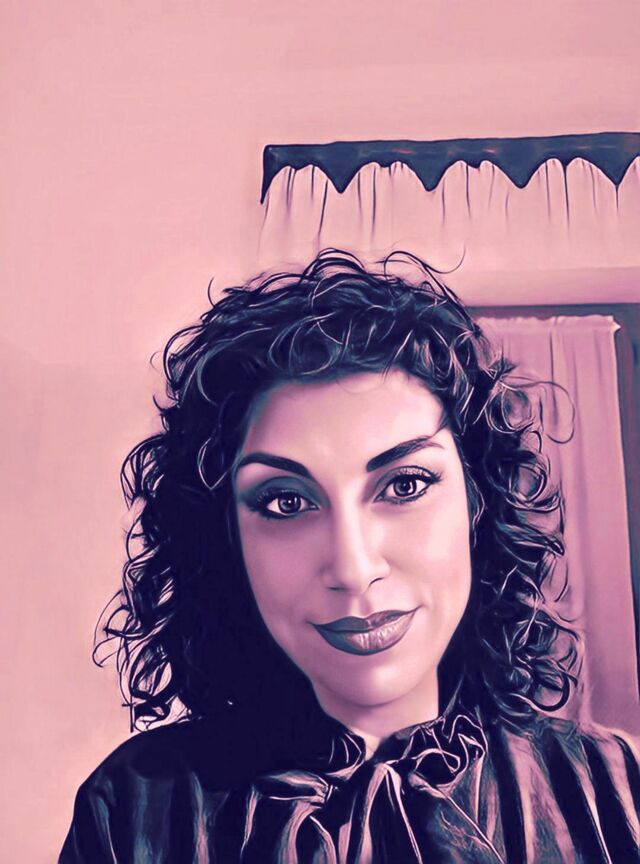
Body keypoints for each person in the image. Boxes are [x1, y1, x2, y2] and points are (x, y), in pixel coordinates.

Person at [60, 250, 640, 863]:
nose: (354, 569)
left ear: (478, 503)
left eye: (406, 485)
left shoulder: (610, 785)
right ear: (227, 539)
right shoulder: (130, 809)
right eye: (286, 502)